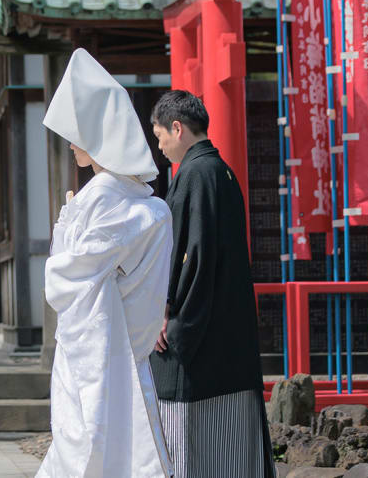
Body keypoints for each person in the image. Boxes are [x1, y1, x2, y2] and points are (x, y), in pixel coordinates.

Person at [37, 48, 174, 478]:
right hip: (129, 341)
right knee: (128, 435)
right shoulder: (148, 204)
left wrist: (67, 224)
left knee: (86, 438)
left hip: (94, 342)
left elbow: (67, 274)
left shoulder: (100, 195)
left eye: (77, 134)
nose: (72, 143)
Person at [148, 90, 275, 478]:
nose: (160, 146)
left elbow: (189, 256)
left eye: (160, 136)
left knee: (192, 451)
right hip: (229, 333)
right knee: (232, 456)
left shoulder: (194, 174)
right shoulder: (222, 171)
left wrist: (165, 310)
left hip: (197, 338)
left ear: (177, 127)